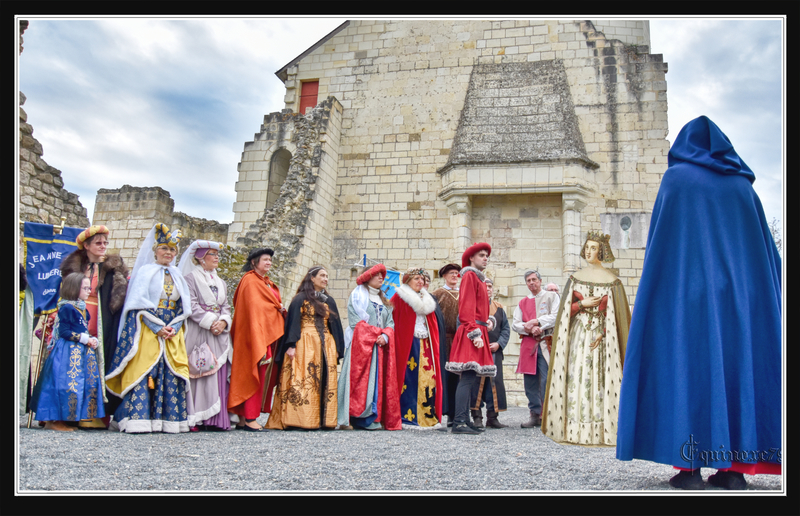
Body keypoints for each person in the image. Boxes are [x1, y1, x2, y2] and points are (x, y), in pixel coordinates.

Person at [615, 116, 782, 490]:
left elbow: (663, 246)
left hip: (687, 297)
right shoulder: (744, 188)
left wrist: (655, 299)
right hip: (740, 302)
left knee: (686, 369)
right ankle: (734, 470)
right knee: (736, 371)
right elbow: (768, 257)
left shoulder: (677, 180)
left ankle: (689, 468)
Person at [541, 232, 631, 446]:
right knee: (577, 376)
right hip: (578, 335)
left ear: (602, 251)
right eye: (587, 247)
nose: (589, 252)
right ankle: (575, 429)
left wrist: (602, 333)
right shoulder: (575, 279)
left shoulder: (613, 281)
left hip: (604, 340)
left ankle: (604, 429)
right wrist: (582, 305)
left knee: (602, 378)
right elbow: (564, 312)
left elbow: (618, 318)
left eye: (594, 248)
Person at [105, 224, 194, 433]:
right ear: (155, 251)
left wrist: (175, 325)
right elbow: (138, 304)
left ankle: (167, 420)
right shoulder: (146, 272)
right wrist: (157, 327)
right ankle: (138, 418)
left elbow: (184, 306)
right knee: (146, 369)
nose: (168, 253)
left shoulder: (178, 275)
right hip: (148, 327)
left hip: (172, 329)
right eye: (164, 249)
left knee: (171, 372)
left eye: (172, 250)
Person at [60, 225, 129, 428]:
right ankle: (68, 411)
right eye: (98, 243)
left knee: (98, 362)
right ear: (87, 245)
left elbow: (115, 297)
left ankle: (95, 414)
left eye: (105, 243)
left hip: (101, 319)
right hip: (76, 317)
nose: (103, 246)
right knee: (73, 362)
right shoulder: (74, 269)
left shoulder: (111, 270)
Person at [266, 266, 344, 430]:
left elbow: (335, 325)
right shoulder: (300, 299)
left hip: (325, 344)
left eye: (327, 276)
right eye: (322, 275)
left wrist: (337, 347)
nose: (325, 279)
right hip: (305, 342)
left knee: (324, 379)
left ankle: (323, 420)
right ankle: (301, 419)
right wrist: (291, 345)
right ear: (312, 278)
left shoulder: (328, 300)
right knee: (305, 379)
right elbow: (293, 322)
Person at [30, 273, 104, 431]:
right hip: (67, 352)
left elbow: (83, 328)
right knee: (62, 384)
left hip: (80, 352)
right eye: (85, 288)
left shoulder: (82, 309)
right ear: (74, 289)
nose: (88, 290)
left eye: (88, 287)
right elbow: (64, 332)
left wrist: (91, 339)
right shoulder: (67, 308)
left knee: (76, 385)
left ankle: (69, 418)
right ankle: (53, 421)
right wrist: (83, 338)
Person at [337, 263, 401, 431]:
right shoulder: (357, 297)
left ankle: (374, 418)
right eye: (377, 275)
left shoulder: (384, 300)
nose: (381, 278)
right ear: (367, 277)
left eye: (382, 275)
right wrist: (376, 335)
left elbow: (390, 323)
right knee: (357, 381)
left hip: (379, 348)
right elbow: (355, 322)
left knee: (378, 382)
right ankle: (351, 418)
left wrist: (386, 335)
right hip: (361, 347)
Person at [227, 248, 285, 431]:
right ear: (254, 262)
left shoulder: (267, 282)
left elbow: (268, 306)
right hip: (253, 335)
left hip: (266, 334)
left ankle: (246, 417)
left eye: (270, 260)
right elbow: (253, 310)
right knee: (253, 373)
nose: (269, 263)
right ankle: (249, 417)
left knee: (262, 374)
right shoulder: (250, 281)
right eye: (265, 260)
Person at [179, 240, 233, 431]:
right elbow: (191, 305)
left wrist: (224, 321)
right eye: (212, 254)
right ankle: (197, 416)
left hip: (218, 331)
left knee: (216, 369)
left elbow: (225, 305)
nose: (217, 257)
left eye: (217, 254)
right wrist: (211, 322)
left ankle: (216, 419)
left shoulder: (221, 282)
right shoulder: (190, 279)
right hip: (200, 329)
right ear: (201, 259)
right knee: (199, 368)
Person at [445, 243, 497, 435]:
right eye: (481, 255)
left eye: (486, 255)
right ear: (471, 258)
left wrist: (487, 322)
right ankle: (459, 421)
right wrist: (474, 332)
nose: (485, 258)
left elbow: (478, 308)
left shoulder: (478, 279)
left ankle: (464, 419)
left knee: (470, 377)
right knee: (467, 377)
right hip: (471, 331)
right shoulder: (469, 276)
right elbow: (466, 308)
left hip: (476, 329)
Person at [391, 267, 445, 430]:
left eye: (422, 280)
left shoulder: (427, 299)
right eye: (416, 279)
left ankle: (427, 416)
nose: (420, 282)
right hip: (408, 344)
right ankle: (408, 416)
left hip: (426, 343)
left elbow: (432, 325)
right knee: (409, 378)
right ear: (408, 280)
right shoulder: (400, 297)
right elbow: (396, 321)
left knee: (430, 378)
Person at [511, 269, 559, 428]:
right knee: (530, 381)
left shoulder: (552, 296)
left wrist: (538, 323)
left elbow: (556, 316)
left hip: (547, 342)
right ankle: (535, 414)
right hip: (529, 344)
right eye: (528, 281)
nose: (531, 283)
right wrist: (529, 329)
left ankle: (549, 414)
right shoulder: (522, 302)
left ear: (540, 280)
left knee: (547, 379)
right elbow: (516, 323)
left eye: (534, 280)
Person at [470, 276, 510, 429]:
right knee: (476, 384)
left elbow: (505, 328)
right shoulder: (472, 306)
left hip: (494, 353)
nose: (487, 289)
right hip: (477, 352)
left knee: (495, 384)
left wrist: (499, 344)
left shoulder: (498, 307)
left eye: (490, 286)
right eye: (484, 286)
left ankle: (493, 418)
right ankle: (477, 417)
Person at [431, 263, 461, 427]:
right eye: (451, 273)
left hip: (460, 340)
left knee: (457, 376)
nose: (455, 276)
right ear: (444, 275)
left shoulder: (464, 294)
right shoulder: (437, 294)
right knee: (443, 375)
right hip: (443, 340)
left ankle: (455, 414)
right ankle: (440, 411)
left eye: (457, 273)